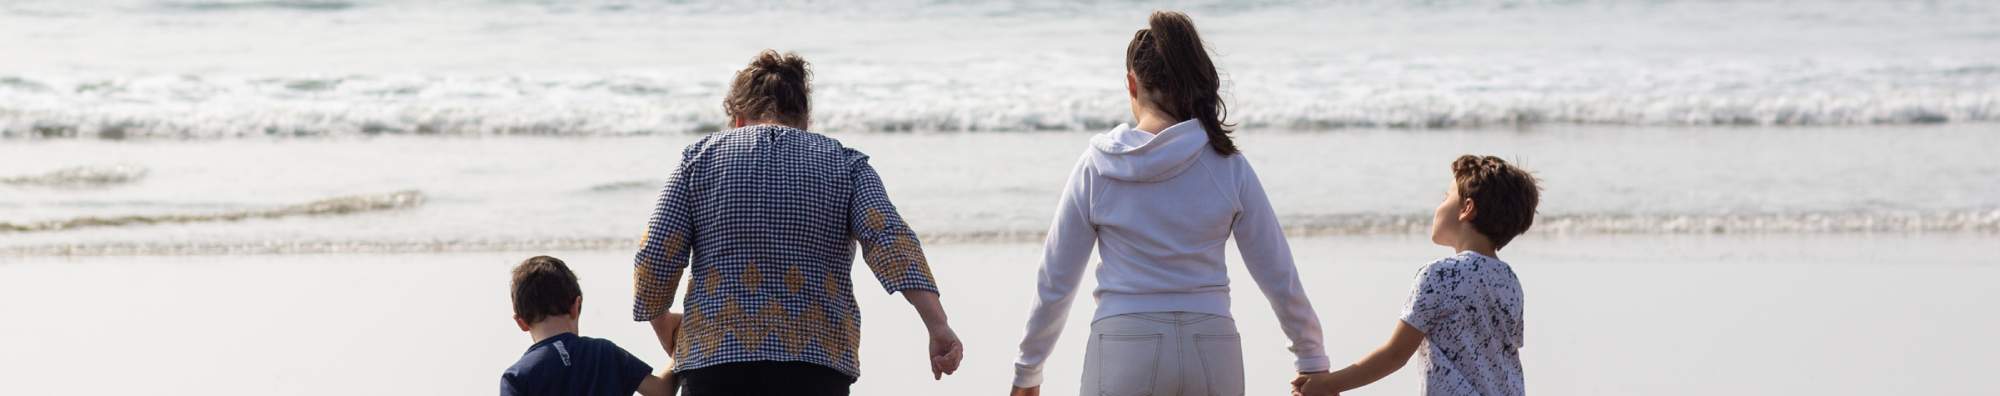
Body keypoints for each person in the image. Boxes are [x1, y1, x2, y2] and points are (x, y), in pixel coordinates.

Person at [1009, 10, 1330, 396]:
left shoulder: (1099, 164)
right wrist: (1311, 359)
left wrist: (1028, 371)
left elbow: (1055, 281)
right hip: (1212, 345)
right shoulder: (1227, 164)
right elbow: (1278, 272)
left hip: (1124, 343)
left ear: (1132, 84)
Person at [630, 49, 963, 396]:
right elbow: (890, 240)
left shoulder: (698, 159)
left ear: (738, 116)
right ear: (804, 117)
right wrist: (937, 325)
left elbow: (656, 253)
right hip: (816, 364)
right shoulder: (845, 165)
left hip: (716, 360)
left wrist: (661, 322)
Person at [1292, 155, 1540, 396]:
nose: (1439, 206)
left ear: (1467, 209)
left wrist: (1329, 384)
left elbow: (1394, 354)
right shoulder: (1510, 281)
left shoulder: (1440, 276)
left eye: (1446, 197)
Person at [502, 256, 676, 396]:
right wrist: (680, 351)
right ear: (576, 306)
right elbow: (662, 391)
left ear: (521, 322)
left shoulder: (517, 376)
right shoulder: (604, 351)